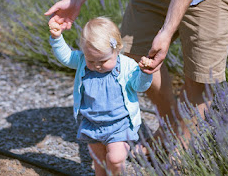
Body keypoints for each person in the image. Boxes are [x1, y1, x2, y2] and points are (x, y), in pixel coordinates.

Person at [45, 0, 228, 149]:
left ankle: (179, 156)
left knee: (200, 77)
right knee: (133, 54)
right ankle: (170, 125)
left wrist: (167, 31)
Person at [48, 16, 153, 175]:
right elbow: (66, 57)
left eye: (103, 61)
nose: (97, 66)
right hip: (92, 122)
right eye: (91, 60)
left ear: (117, 49)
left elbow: (140, 86)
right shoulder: (83, 61)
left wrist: (145, 74)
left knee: (116, 159)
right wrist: (57, 38)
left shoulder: (126, 66)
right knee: (99, 159)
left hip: (119, 123)